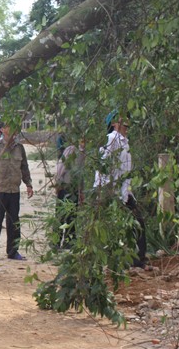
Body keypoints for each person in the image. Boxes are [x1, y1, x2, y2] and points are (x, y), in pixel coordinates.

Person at [93, 113, 149, 269]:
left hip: (124, 192)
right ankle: (129, 260)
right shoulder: (112, 140)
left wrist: (128, 193)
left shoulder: (125, 142)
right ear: (114, 124)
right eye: (122, 122)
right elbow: (103, 168)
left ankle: (136, 259)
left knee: (136, 223)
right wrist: (106, 191)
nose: (126, 125)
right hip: (113, 192)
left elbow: (125, 171)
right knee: (130, 224)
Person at [0, 123, 33, 261]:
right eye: (9, 127)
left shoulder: (20, 148)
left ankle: (13, 251)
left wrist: (28, 184)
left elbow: (24, 167)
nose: (12, 130)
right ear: (2, 130)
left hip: (14, 190)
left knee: (14, 221)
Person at [54, 139, 86, 249]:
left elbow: (81, 174)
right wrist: (58, 182)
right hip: (65, 186)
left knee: (72, 216)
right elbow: (61, 166)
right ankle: (56, 241)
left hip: (74, 188)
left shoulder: (84, 153)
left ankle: (69, 242)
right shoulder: (71, 150)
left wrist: (81, 191)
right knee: (61, 215)